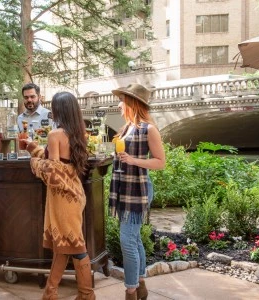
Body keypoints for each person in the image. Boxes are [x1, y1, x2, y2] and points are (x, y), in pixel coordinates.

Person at [23, 92, 95, 300]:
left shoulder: (55, 135)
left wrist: (34, 158)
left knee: (76, 245)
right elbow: (64, 165)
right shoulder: (79, 133)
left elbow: (52, 171)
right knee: (63, 244)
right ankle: (50, 292)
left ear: (58, 110)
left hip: (63, 198)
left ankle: (86, 295)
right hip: (75, 193)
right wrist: (37, 151)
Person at [109, 83, 165, 300]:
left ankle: (130, 290)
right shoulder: (126, 128)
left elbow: (161, 162)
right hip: (126, 188)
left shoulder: (148, 129)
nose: (119, 104)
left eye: (122, 100)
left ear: (132, 103)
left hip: (139, 189)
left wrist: (133, 160)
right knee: (134, 239)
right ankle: (140, 285)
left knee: (127, 239)